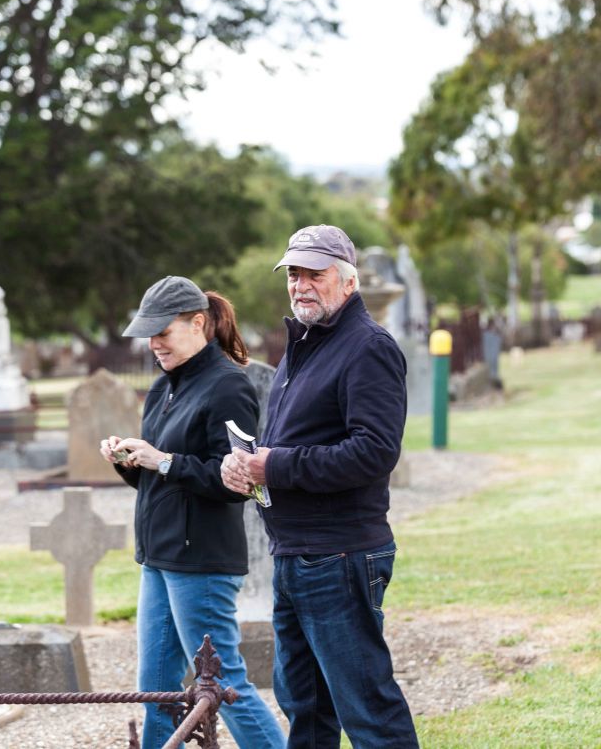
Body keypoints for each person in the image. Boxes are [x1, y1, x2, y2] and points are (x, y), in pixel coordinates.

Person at [220, 225, 419, 748]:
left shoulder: (367, 348)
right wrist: (245, 466)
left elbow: (374, 453)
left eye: (315, 272)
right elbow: (285, 442)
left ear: (347, 281)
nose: (301, 284)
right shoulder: (305, 346)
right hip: (295, 553)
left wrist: (276, 467)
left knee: (368, 710)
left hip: (339, 554)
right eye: (294, 273)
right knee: (304, 709)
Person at [100, 275, 286, 749]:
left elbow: (234, 484)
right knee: (157, 692)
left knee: (223, 688)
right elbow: (158, 480)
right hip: (159, 557)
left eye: (163, 331)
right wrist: (130, 461)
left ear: (198, 323)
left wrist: (161, 459)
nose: (154, 343)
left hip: (201, 561)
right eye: (149, 333)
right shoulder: (162, 388)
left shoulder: (228, 387)